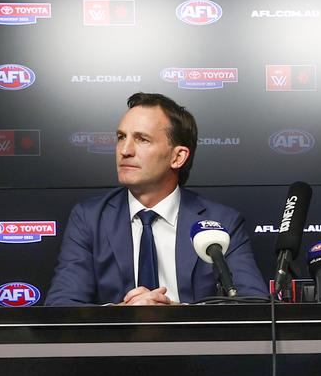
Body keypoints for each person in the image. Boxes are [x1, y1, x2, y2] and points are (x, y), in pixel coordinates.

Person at [46, 92, 267, 305]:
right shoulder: (90, 218)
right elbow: (61, 305)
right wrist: (123, 314)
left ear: (177, 157)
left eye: (142, 139)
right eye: (121, 137)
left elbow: (254, 304)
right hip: (118, 343)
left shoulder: (222, 222)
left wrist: (177, 314)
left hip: (193, 342)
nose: (125, 150)